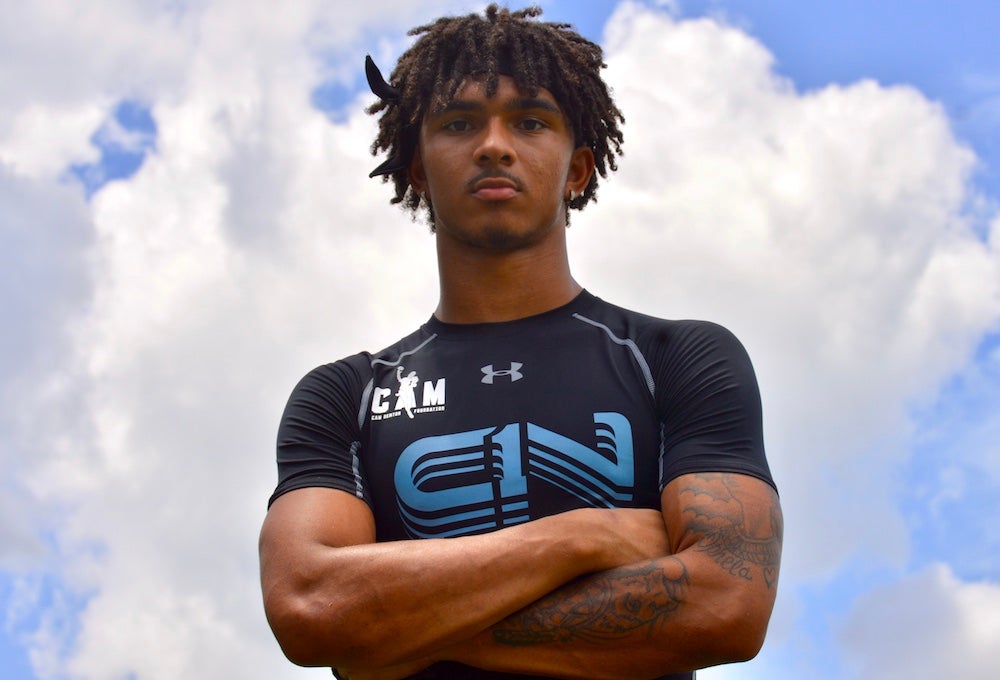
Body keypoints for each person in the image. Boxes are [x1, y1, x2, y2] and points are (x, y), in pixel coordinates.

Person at [259, 5, 782, 679]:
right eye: (459, 123)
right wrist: (584, 537)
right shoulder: (345, 396)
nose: (494, 145)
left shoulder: (676, 359)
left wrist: (401, 634)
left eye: (530, 121)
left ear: (578, 171)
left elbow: (726, 606)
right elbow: (309, 608)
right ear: (418, 169)